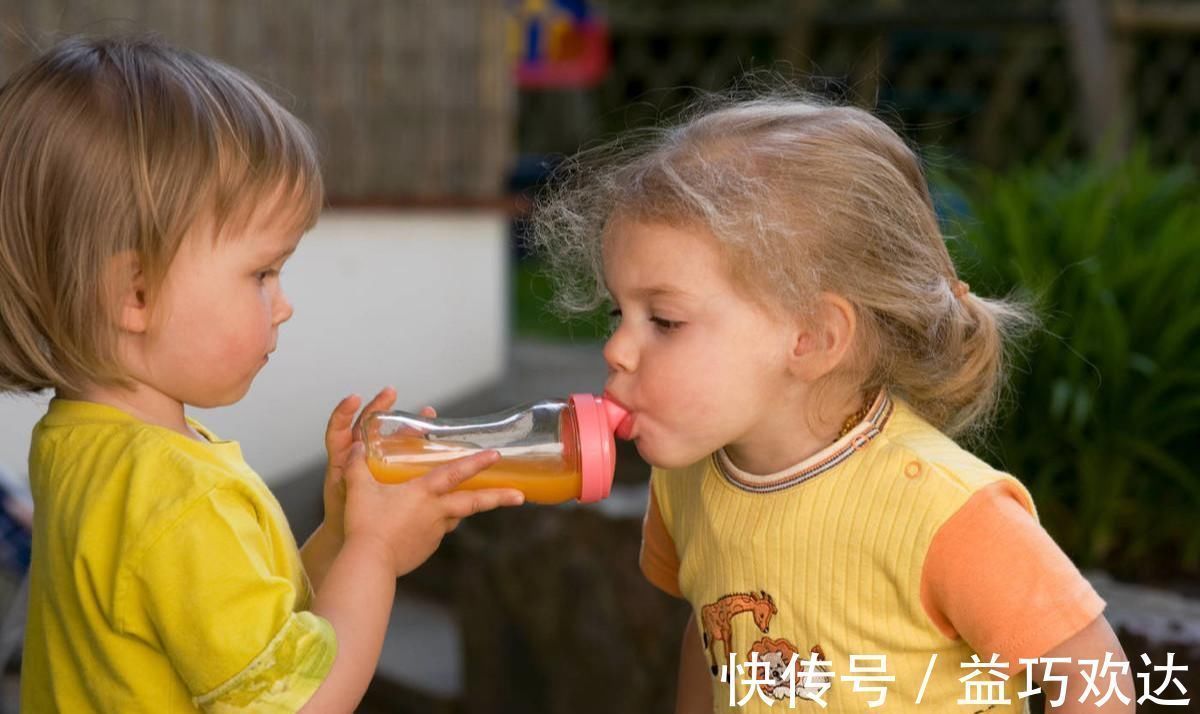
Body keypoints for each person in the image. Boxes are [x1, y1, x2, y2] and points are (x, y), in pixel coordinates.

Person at [531, 95, 1133, 712]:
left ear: (813, 338)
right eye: (619, 312)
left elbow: (1093, 673)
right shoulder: (686, 480)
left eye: (664, 320)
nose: (617, 349)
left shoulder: (943, 509)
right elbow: (714, 640)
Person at [0, 35, 523, 712]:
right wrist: (374, 553)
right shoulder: (181, 496)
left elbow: (238, 640)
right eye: (262, 273)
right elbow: (301, 703)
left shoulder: (77, 443)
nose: (284, 304)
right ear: (135, 292)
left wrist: (337, 535)